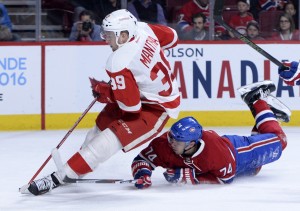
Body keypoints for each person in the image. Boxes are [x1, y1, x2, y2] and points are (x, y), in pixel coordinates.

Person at [23, 9, 180, 195]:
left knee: (105, 142)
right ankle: (75, 169)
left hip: (156, 108)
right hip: (143, 94)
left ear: (124, 35)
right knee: (98, 130)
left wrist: (109, 93)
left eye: (109, 35)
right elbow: (173, 37)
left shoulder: (118, 60)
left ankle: (58, 178)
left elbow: (131, 107)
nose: (105, 38)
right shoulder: (144, 29)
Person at [131, 80, 291, 189]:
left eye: (177, 141)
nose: (171, 143)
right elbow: (142, 159)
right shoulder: (163, 145)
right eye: (171, 137)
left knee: (280, 141)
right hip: (225, 159)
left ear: (191, 144)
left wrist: (191, 177)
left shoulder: (215, 153)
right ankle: (267, 114)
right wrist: (142, 173)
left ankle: (256, 100)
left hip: (239, 153)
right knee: (255, 170)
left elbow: (226, 179)